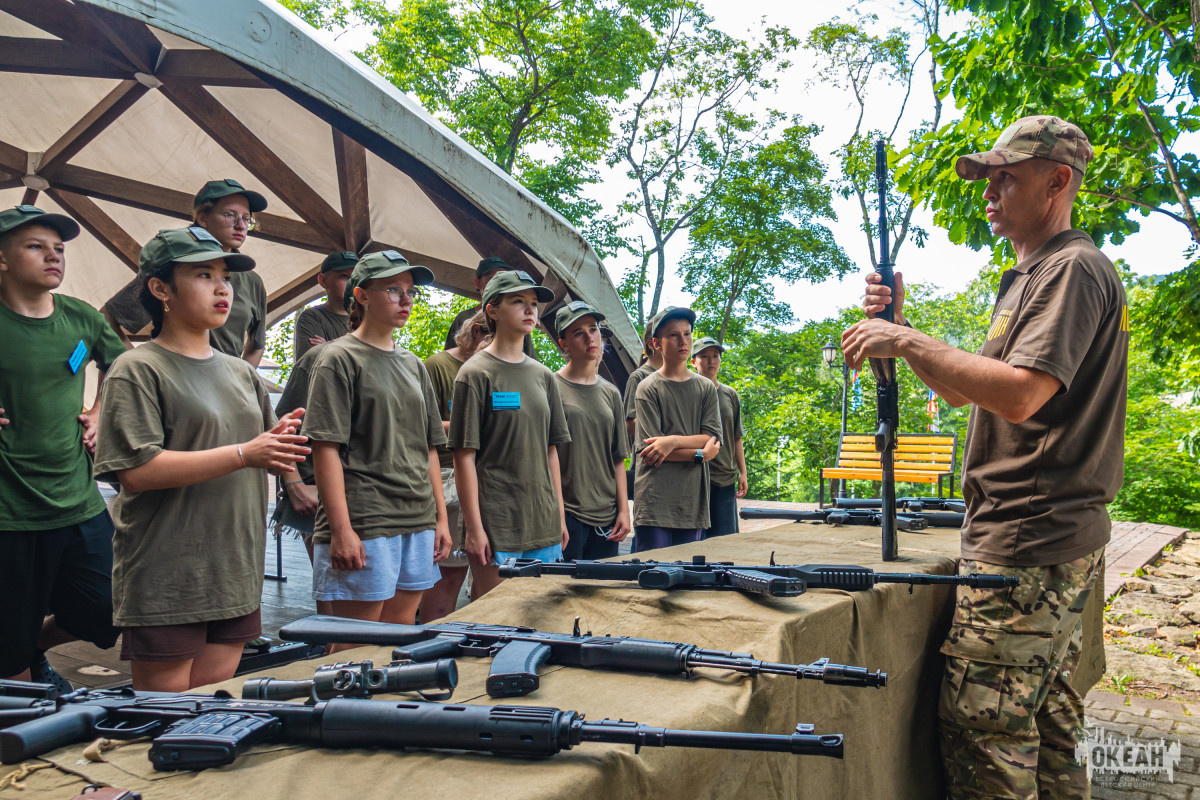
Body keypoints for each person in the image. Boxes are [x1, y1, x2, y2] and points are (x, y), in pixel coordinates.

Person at [842, 115, 1127, 798]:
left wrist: (904, 343)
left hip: (1028, 538)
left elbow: (1022, 395)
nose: (990, 192)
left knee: (986, 738)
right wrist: (901, 328)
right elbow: (973, 391)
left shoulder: (1070, 270)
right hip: (1044, 536)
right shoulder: (1032, 276)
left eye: (1007, 178)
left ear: (1058, 182)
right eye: (988, 179)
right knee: (1049, 723)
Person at [94, 227, 308, 691]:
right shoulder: (138, 368)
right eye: (204, 275)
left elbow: (263, 450)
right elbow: (135, 472)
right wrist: (244, 453)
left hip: (234, 568)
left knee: (212, 709)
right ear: (160, 288)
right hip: (168, 571)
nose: (222, 288)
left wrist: (280, 447)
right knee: (165, 716)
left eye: (225, 277)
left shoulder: (241, 373)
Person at [0, 205, 125, 688]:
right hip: (9, 511)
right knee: (6, 644)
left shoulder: (81, 318)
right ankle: (23, 708)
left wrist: (97, 410)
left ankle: (34, 649)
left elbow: (122, 366)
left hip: (77, 501)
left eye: (59, 249)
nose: (54, 256)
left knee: (110, 608)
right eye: (36, 247)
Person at [303, 250, 452, 643]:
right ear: (362, 296)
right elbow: (324, 448)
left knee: (398, 637)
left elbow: (429, 447)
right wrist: (341, 530)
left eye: (410, 291)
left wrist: (439, 519)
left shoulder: (414, 364)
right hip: (366, 519)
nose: (406, 299)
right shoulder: (337, 358)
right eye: (393, 289)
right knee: (353, 645)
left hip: (417, 518)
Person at [449, 270, 569, 598]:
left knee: (538, 617)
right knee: (495, 618)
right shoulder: (474, 373)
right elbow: (463, 458)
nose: (530, 309)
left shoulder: (544, 376)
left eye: (533, 303)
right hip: (496, 522)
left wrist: (559, 515)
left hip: (543, 521)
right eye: (518, 301)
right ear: (492, 309)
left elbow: (551, 450)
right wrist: (474, 528)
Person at [419, 310, 491, 622]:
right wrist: (473, 425)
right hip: (448, 479)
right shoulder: (437, 366)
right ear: (476, 332)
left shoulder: (495, 367)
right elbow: (422, 427)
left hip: (490, 482)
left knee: (489, 582)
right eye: (493, 337)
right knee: (447, 577)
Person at [632, 307, 721, 552]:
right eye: (674, 335)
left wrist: (671, 441)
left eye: (687, 334)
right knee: (653, 571)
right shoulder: (647, 387)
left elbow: (712, 438)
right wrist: (700, 455)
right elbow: (652, 452)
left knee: (687, 573)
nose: (683, 341)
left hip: (691, 503)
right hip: (654, 503)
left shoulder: (705, 387)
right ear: (656, 343)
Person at [553, 301, 631, 560]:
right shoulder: (550, 386)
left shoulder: (611, 392)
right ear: (563, 343)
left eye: (593, 329)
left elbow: (618, 457)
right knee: (564, 584)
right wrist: (557, 515)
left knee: (602, 583)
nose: (590, 338)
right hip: (568, 513)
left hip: (607, 516)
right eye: (578, 333)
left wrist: (624, 511)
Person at [191, 179, 269, 365]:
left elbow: (257, 344)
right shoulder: (174, 263)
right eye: (230, 215)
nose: (241, 225)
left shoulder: (252, 281)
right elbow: (118, 320)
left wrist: (241, 377)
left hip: (227, 380)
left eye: (246, 219)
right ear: (203, 217)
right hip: (174, 377)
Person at [691, 337, 747, 537]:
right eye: (704, 356)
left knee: (725, 541)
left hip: (725, 478)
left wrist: (743, 472)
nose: (711, 361)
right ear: (693, 362)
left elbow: (736, 436)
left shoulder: (730, 394)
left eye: (715, 356)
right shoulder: (688, 393)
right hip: (696, 476)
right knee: (695, 541)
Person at [443, 256, 536, 358]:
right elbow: (450, 358)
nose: (497, 282)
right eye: (491, 278)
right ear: (478, 283)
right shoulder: (463, 318)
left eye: (503, 278)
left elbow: (529, 358)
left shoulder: (516, 320)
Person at [622, 326, 663, 498]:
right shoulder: (639, 377)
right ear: (652, 343)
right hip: (648, 466)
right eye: (671, 335)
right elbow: (629, 426)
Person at [293, 251, 357, 360]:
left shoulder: (368, 317)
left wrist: (329, 346)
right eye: (344, 276)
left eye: (356, 277)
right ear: (323, 280)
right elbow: (313, 363)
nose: (352, 283)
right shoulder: (311, 318)